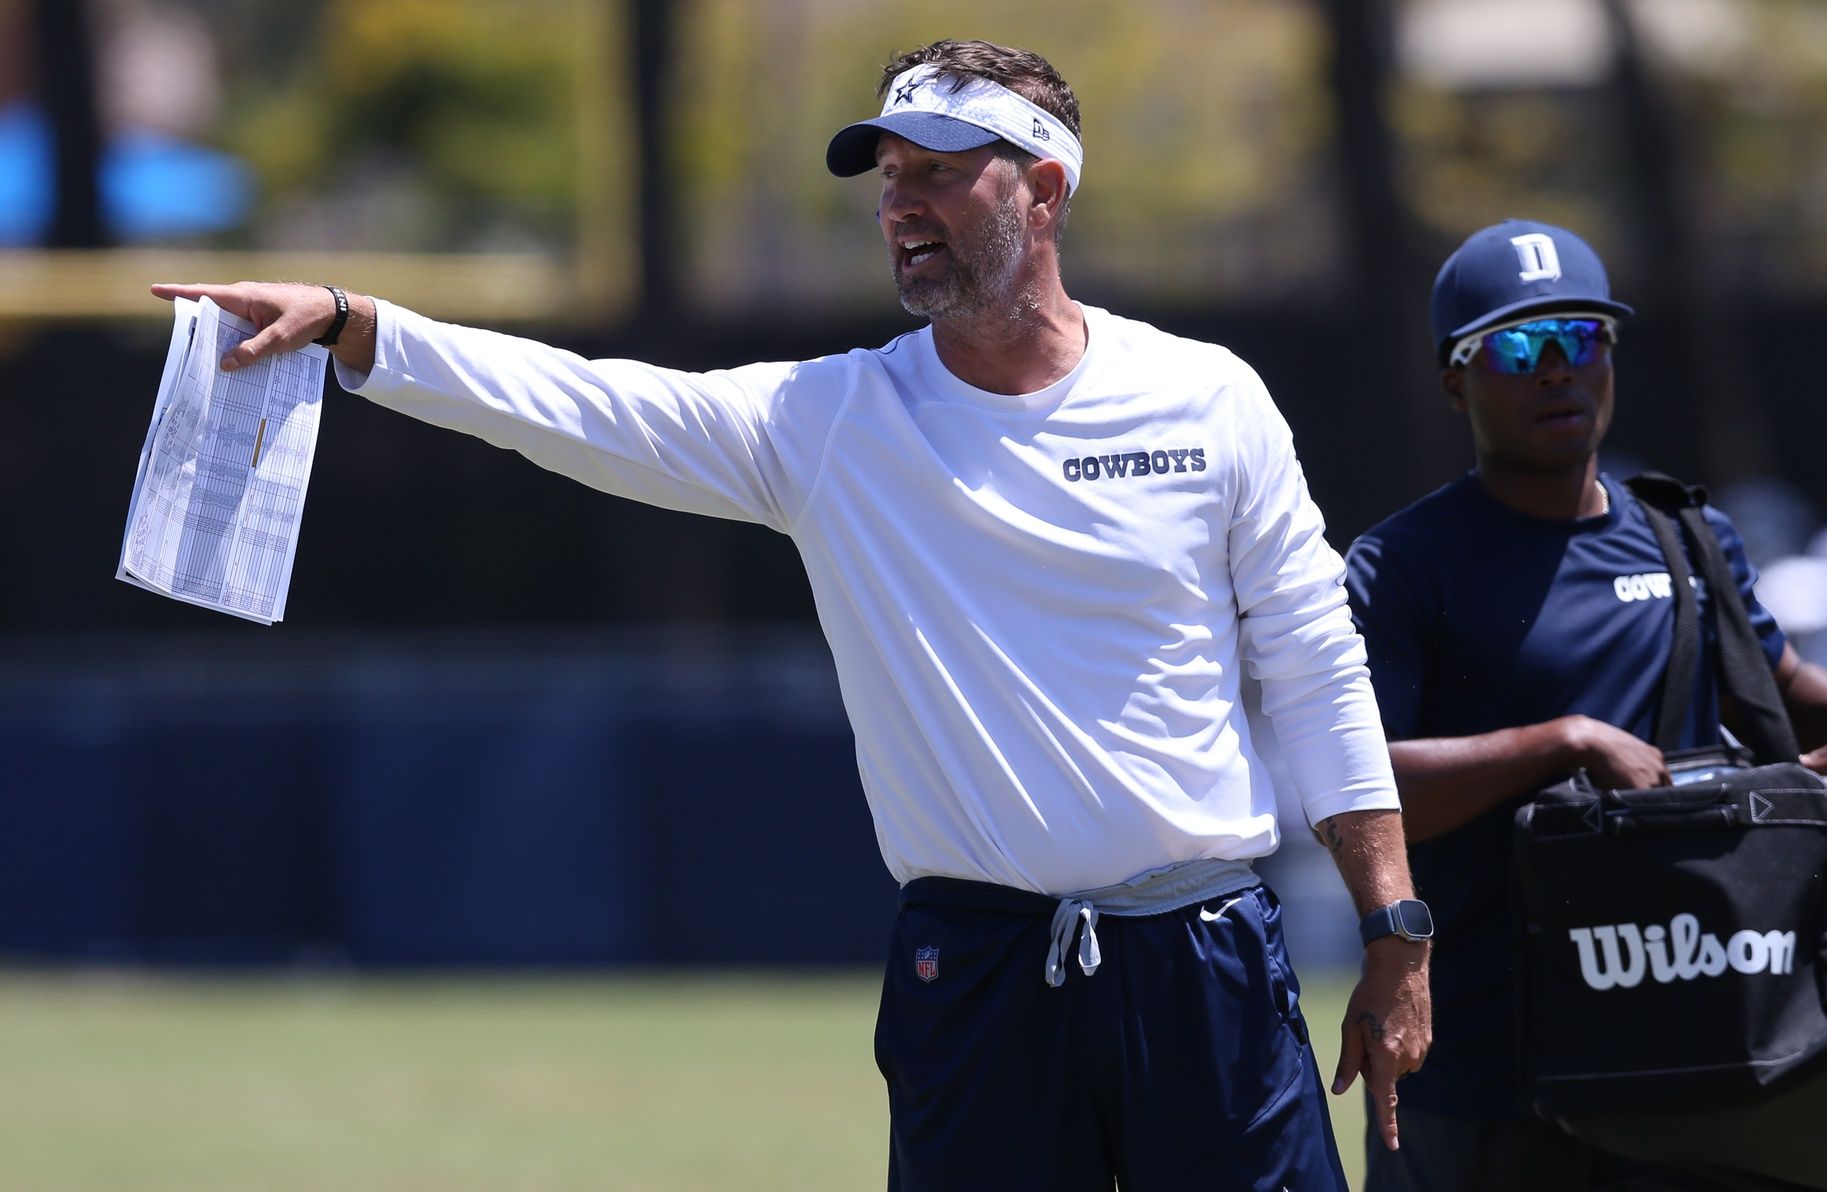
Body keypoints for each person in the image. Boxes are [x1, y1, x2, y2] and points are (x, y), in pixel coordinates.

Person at [155, 39, 1429, 1191]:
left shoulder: (1208, 398)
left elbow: (1317, 664)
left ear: (1043, 190)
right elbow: (586, 407)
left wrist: (1393, 926)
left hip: (1201, 956)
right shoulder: (831, 423)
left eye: (939, 171)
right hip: (977, 973)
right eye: (888, 177)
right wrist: (360, 327)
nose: (901, 206)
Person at [1345, 218, 1827, 1192]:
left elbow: (1792, 708)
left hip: (1690, 1044)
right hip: (1486, 1061)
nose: (1558, 369)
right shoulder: (1402, 565)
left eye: (1583, 338)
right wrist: (1563, 742)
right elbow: (1360, 790)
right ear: (1456, 379)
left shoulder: (1689, 535)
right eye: (1520, 347)